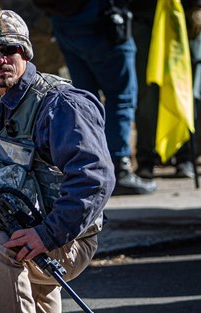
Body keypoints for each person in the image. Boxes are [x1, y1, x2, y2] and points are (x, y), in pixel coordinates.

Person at [0, 10, 190, 313]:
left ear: (26, 52)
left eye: (9, 50)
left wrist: (45, 234)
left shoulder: (60, 104)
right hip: (20, 234)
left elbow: (94, 178)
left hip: (63, 239)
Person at [35, 0, 156, 195]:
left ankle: (88, 169)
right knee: (121, 96)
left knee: (84, 101)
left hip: (63, 20)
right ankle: (118, 167)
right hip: (102, 18)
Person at [132, 0, 201, 180]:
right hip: (145, 17)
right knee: (146, 94)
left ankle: (186, 157)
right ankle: (146, 159)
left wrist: (200, 6)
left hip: (185, 14)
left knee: (188, 92)